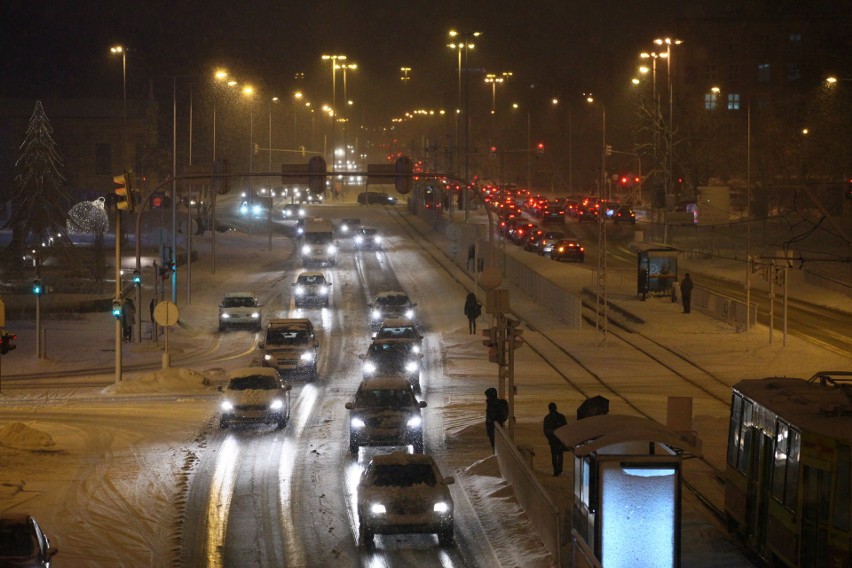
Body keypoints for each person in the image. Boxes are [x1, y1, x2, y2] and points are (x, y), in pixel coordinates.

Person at [543, 402, 568, 476]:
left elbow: (546, 430)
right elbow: (566, 428)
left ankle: (556, 470)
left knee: (554, 455)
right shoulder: (561, 416)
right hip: (560, 439)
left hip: (553, 440)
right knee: (560, 454)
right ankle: (559, 469)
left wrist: (550, 438)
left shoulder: (547, 418)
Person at [485, 387, 509, 451]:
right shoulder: (498, 403)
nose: (487, 398)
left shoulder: (492, 403)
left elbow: (491, 416)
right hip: (497, 427)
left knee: (495, 445)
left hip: (493, 428)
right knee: (497, 445)